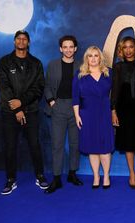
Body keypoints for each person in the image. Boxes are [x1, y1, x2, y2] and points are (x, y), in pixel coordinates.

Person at [0, 30, 49, 195]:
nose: (21, 41)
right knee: (10, 147)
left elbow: (39, 88)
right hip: (9, 112)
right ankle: (11, 180)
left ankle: (40, 176)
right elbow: (4, 88)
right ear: (14, 42)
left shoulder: (36, 63)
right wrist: (17, 109)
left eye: (24, 39)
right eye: (18, 38)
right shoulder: (4, 62)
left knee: (34, 145)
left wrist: (23, 103)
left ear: (28, 42)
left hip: (31, 111)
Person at [44, 35, 83, 194]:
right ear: (61, 49)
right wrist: (52, 101)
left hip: (76, 108)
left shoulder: (81, 65)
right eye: (65, 47)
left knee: (75, 143)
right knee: (57, 144)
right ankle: (57, 178)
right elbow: (46, 85)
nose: (68, 49)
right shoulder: (53, 65)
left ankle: (72, 174)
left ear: (75, 48)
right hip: (58, 106)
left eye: (71, 47)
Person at [111, 36, 135, 189]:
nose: (128, 50)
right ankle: (132, 173)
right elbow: (114, 90)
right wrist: (113, 110)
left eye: (131, 47)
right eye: (125, 47)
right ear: (122, 49)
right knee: (128, 143)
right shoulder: (118, 67)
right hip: (124, 109)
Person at [72, 46, 114, 189]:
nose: (94, 58)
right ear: (86, 58)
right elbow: (75, 98)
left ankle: (106, 176)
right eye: (90, 56)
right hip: (87, 114)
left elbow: (116, 95)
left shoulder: (108, 73)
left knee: (105, 147)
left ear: (100, 57)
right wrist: (77, 115)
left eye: (96, 55)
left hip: (104, 114)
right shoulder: (80, 74)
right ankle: (96, 175)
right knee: (92, 148)